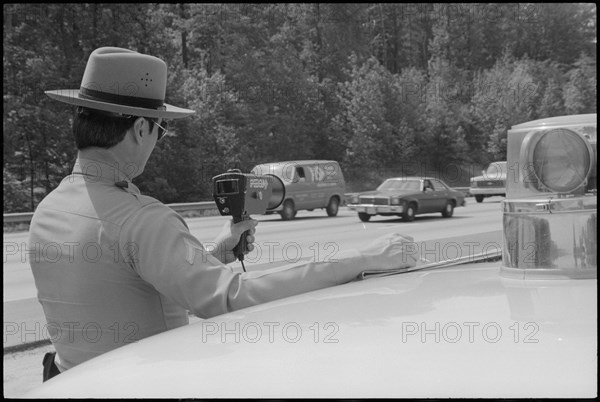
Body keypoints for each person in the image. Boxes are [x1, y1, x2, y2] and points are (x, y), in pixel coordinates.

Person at [29, 47, 416, 381]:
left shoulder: (48, 211)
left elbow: (123, 286)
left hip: (71, 383)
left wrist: (213, 256)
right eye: (161, 131)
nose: (157, 143)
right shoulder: (142, 219)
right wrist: (363, 259)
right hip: (148, 384)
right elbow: (231, 299)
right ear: (141, 128)